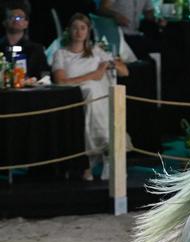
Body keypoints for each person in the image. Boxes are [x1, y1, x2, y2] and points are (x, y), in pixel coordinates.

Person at [52, 13, 129, 181]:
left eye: (82, 28)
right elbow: (61, 81)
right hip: (73, 98)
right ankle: (99, 155)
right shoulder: (61, 54)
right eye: (75, 28)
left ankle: (104, 153)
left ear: (88, 31)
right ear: (68, 31)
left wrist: (111, 63)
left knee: (96, 93)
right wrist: (94, 74)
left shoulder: (97, 51)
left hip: (99, 98)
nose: (79, 32)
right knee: (90, 91)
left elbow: (125, 72)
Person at [0, 0, 49, 80]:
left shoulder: (36, 50)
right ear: (4, 22)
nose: (16, 20)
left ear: (26, 23)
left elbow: (45, 75)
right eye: (12, 17)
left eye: (20, 17)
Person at [99, 0, 165, 58]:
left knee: (163, 45)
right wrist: (116, 15)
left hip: (135, 34)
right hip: (117, 36)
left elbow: (148, 12)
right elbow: (102, 8)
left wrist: (157, 19)